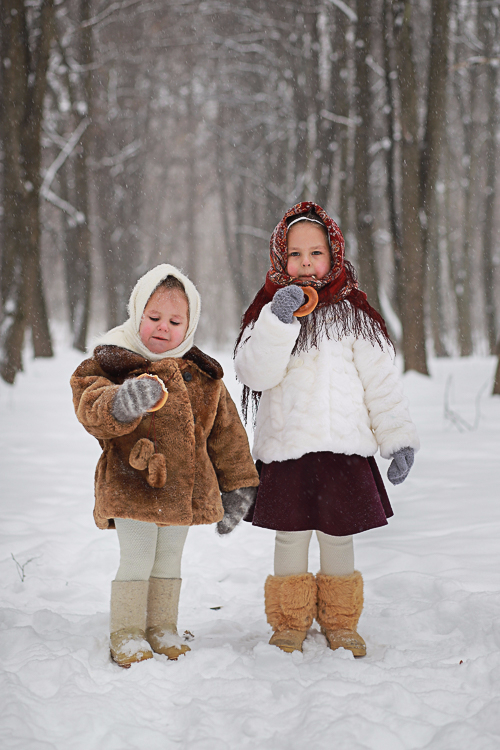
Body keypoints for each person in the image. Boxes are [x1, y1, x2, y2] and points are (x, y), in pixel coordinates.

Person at [234, 202, 419, 656]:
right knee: (290, 536)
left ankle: (340, 621)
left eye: (315, 253)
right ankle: (288, 622)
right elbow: (254, 373)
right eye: (295, 255)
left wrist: (397, 438)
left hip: (343, 450)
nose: (306, 264)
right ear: (281, 259)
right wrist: (279, 321)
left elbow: (380, 384)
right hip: (287, 449)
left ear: (333, 255)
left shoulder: (354, 315)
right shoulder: (268, 313)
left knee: (338, 535)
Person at [71, 264, 259, 667]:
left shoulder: (203, 377)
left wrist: (238, 486)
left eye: (175, 321)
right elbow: (89, 405)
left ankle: (161, 626)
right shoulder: (113, 362)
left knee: (169, 560)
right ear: (137, 312)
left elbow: (227, 435)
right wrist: (122, 402)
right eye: (153, 317)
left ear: (189, 325)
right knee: (138, 558)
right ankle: (126, 630)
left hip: (183, 492)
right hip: (132, 484)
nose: (163, 327)